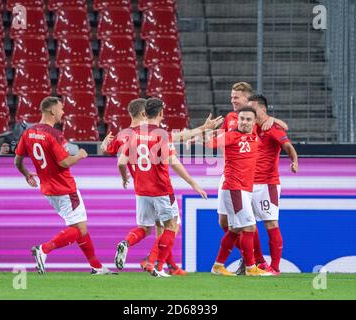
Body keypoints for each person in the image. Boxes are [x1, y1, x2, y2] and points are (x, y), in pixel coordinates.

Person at [103, 98, 222, 275]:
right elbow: (174, 157)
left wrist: (122, 174)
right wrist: (194, 183)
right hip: (160, 188)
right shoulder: (161, 134)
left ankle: (165, 265)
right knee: (171, 227)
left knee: (150, 228)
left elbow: (119, 160)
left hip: (141, 189)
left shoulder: (129, 134)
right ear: (157, 113)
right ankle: (156, 265)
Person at [14, 96, 115, 275]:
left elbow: (17, 160)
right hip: (65, 189)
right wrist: (81, 155)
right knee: (79, 229)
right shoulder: (54, 134)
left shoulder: (28, 133)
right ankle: (44, 249)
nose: (63, 112)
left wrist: (26, 174)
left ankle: (96, 266)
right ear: (52, 111)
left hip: (48, 190)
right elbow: (64, 163)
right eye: (61, 109)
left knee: (79, 227)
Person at [217, 83, 289, 255]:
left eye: (236, 97)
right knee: (224, 222)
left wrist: (272, 119)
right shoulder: (230, 117)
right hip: (228, 174)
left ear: (248, 100)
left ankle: (255, 260)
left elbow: (283, 128)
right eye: (232, 97)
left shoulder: (253, 119)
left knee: (247, 221)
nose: (232, 100)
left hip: (248, 178)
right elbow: (221, 137)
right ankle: (249, 257)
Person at [234, 94, 298, 276]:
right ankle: (259, 262)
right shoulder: (249, 128)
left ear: (262, 110)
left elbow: (288, 146)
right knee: (248, 225)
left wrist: (294, 160)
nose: (249, 113)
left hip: (267, 185)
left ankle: (275, 267)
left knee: (271, 223)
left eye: (253, 109)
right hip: (247, 184)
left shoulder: (273, 129)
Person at [206, 107, 271, 276]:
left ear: (255, 122)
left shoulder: (254, 135)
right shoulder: (231, 136)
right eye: (241, 118)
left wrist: (272, 119)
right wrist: (207, 130)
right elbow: (210, 143)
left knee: (235, 229)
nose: (244, 122)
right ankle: (250, 268)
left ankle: (218, 266)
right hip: (235, 188)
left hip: (244, 189)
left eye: (248, 119)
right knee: (249, 227)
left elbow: (267, 121)